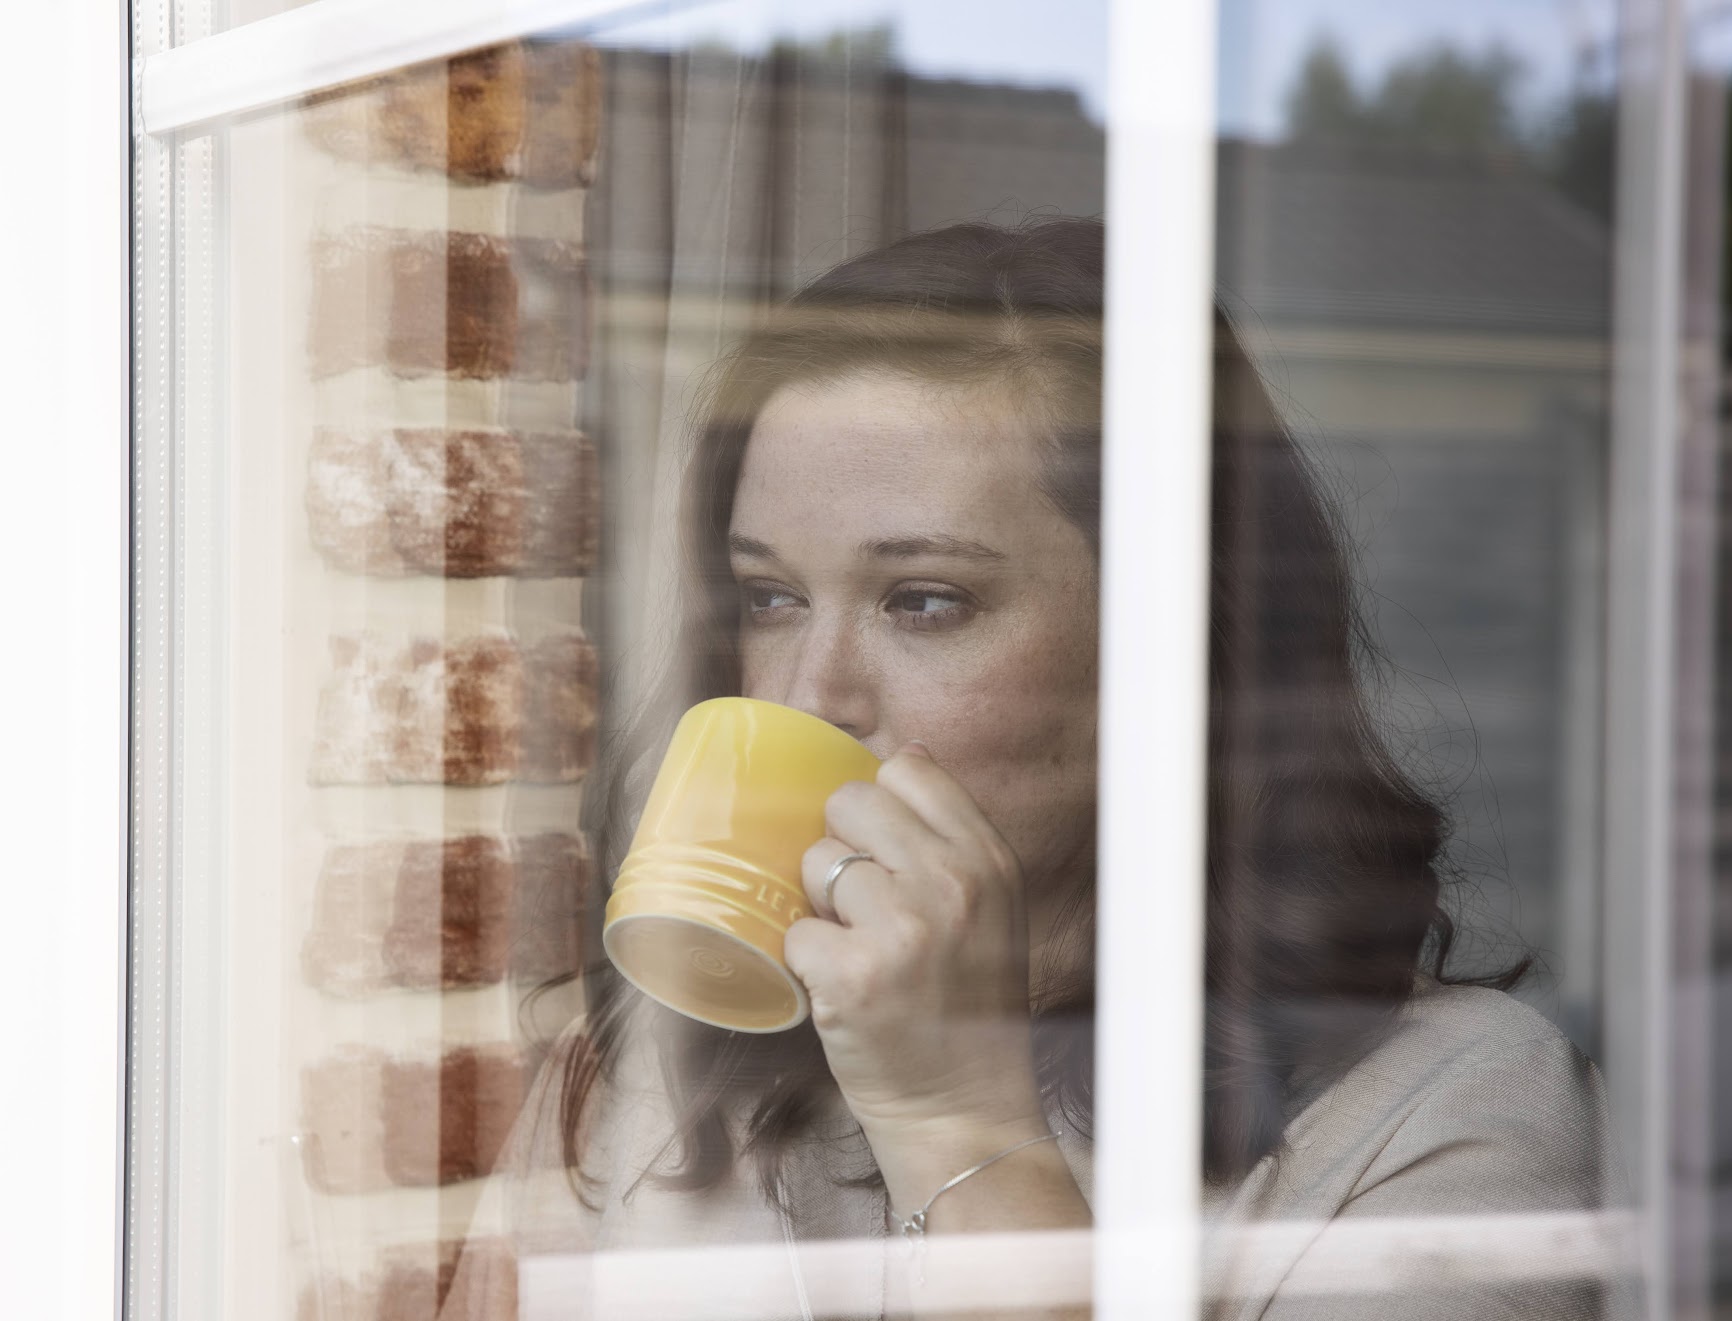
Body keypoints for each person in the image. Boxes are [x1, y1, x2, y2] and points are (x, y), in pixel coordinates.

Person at [442, 217, 1628, 1320]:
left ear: (1174, 644)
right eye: (769, 597)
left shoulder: (1447, 1111)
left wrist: (956, 1122)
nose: (810, 693)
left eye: (923, 600)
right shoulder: (672, 1054)